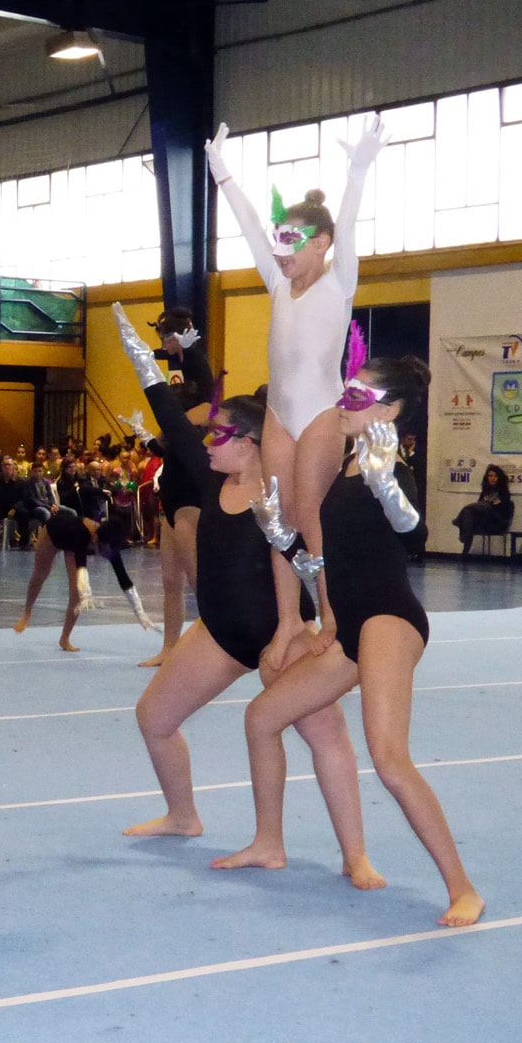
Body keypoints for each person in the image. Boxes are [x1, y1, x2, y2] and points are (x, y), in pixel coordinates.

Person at [112, 309, 379, 886]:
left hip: (278, 634)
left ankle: (353, 855)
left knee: (326, 734)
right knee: (154, 717)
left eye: (220, 433)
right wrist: (141, 358)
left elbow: (318, 562)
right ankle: (183, 815)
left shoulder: (288, 495)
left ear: (253, 442)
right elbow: (172, 423)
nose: (207, 440)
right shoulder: (213, 482)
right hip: (220, 632)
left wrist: (312, 626)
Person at [231, 356, 484, 927]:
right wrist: (281, 538)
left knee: (390, 760)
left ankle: (463, 887)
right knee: (262, 717)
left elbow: (414, 535)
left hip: (390, 620)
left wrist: (386, 481)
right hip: (349, 628)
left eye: (357, 395)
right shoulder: (347, 464)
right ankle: (269, 842)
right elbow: (333, 558)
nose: (344, 403)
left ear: (389, 411)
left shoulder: (389, 464)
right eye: (347, 390)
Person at [206, 115, 387, 656]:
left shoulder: (339, 282)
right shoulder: (277, 283)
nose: (280, 252)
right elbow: (248, 227)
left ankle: (332, 619)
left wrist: (357, 171)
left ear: (322, 244)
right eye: (279, 243)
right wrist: (221, 174)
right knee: (277, 519)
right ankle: (290, 620)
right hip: (279, 415)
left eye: (292, 243)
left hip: (318, 415)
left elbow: (350, 226)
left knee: (312, 518)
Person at [117, 307, 213, 667]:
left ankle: (214, 643)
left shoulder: (197, 362)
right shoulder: (175, 364)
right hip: (171, 480)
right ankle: (171, 647)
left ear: (182, 336)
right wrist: (150, 436)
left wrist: (174, 424)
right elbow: (165, 433)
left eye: (167, 340)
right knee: (170, 578)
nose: (164, 347)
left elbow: (210, 407)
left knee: (195, 576)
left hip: (192, 480)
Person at [12, 508, 157, 652]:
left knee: (76, 594)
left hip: (74, 545)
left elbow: (123, 578)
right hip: (53, 534)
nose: (104, 554)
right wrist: (87, 595)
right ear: (96, 540)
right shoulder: (80, 533)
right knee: (40, 576)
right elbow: (82, 568)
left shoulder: (109, 541)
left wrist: (140, 613)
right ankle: (27, 612)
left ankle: (64, 638)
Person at [452, 464, 513, 554]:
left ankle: (460, 526)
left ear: (499, 478)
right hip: (484, 521)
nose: (492, 478)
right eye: (490, 476)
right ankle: (465, 552)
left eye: (495, 476)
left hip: (496, 523)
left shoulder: (504, 493)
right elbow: (478, 508)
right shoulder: (485, 492)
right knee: (469, 516)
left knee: (481, 508)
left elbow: (502, 512)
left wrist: (490, 504)